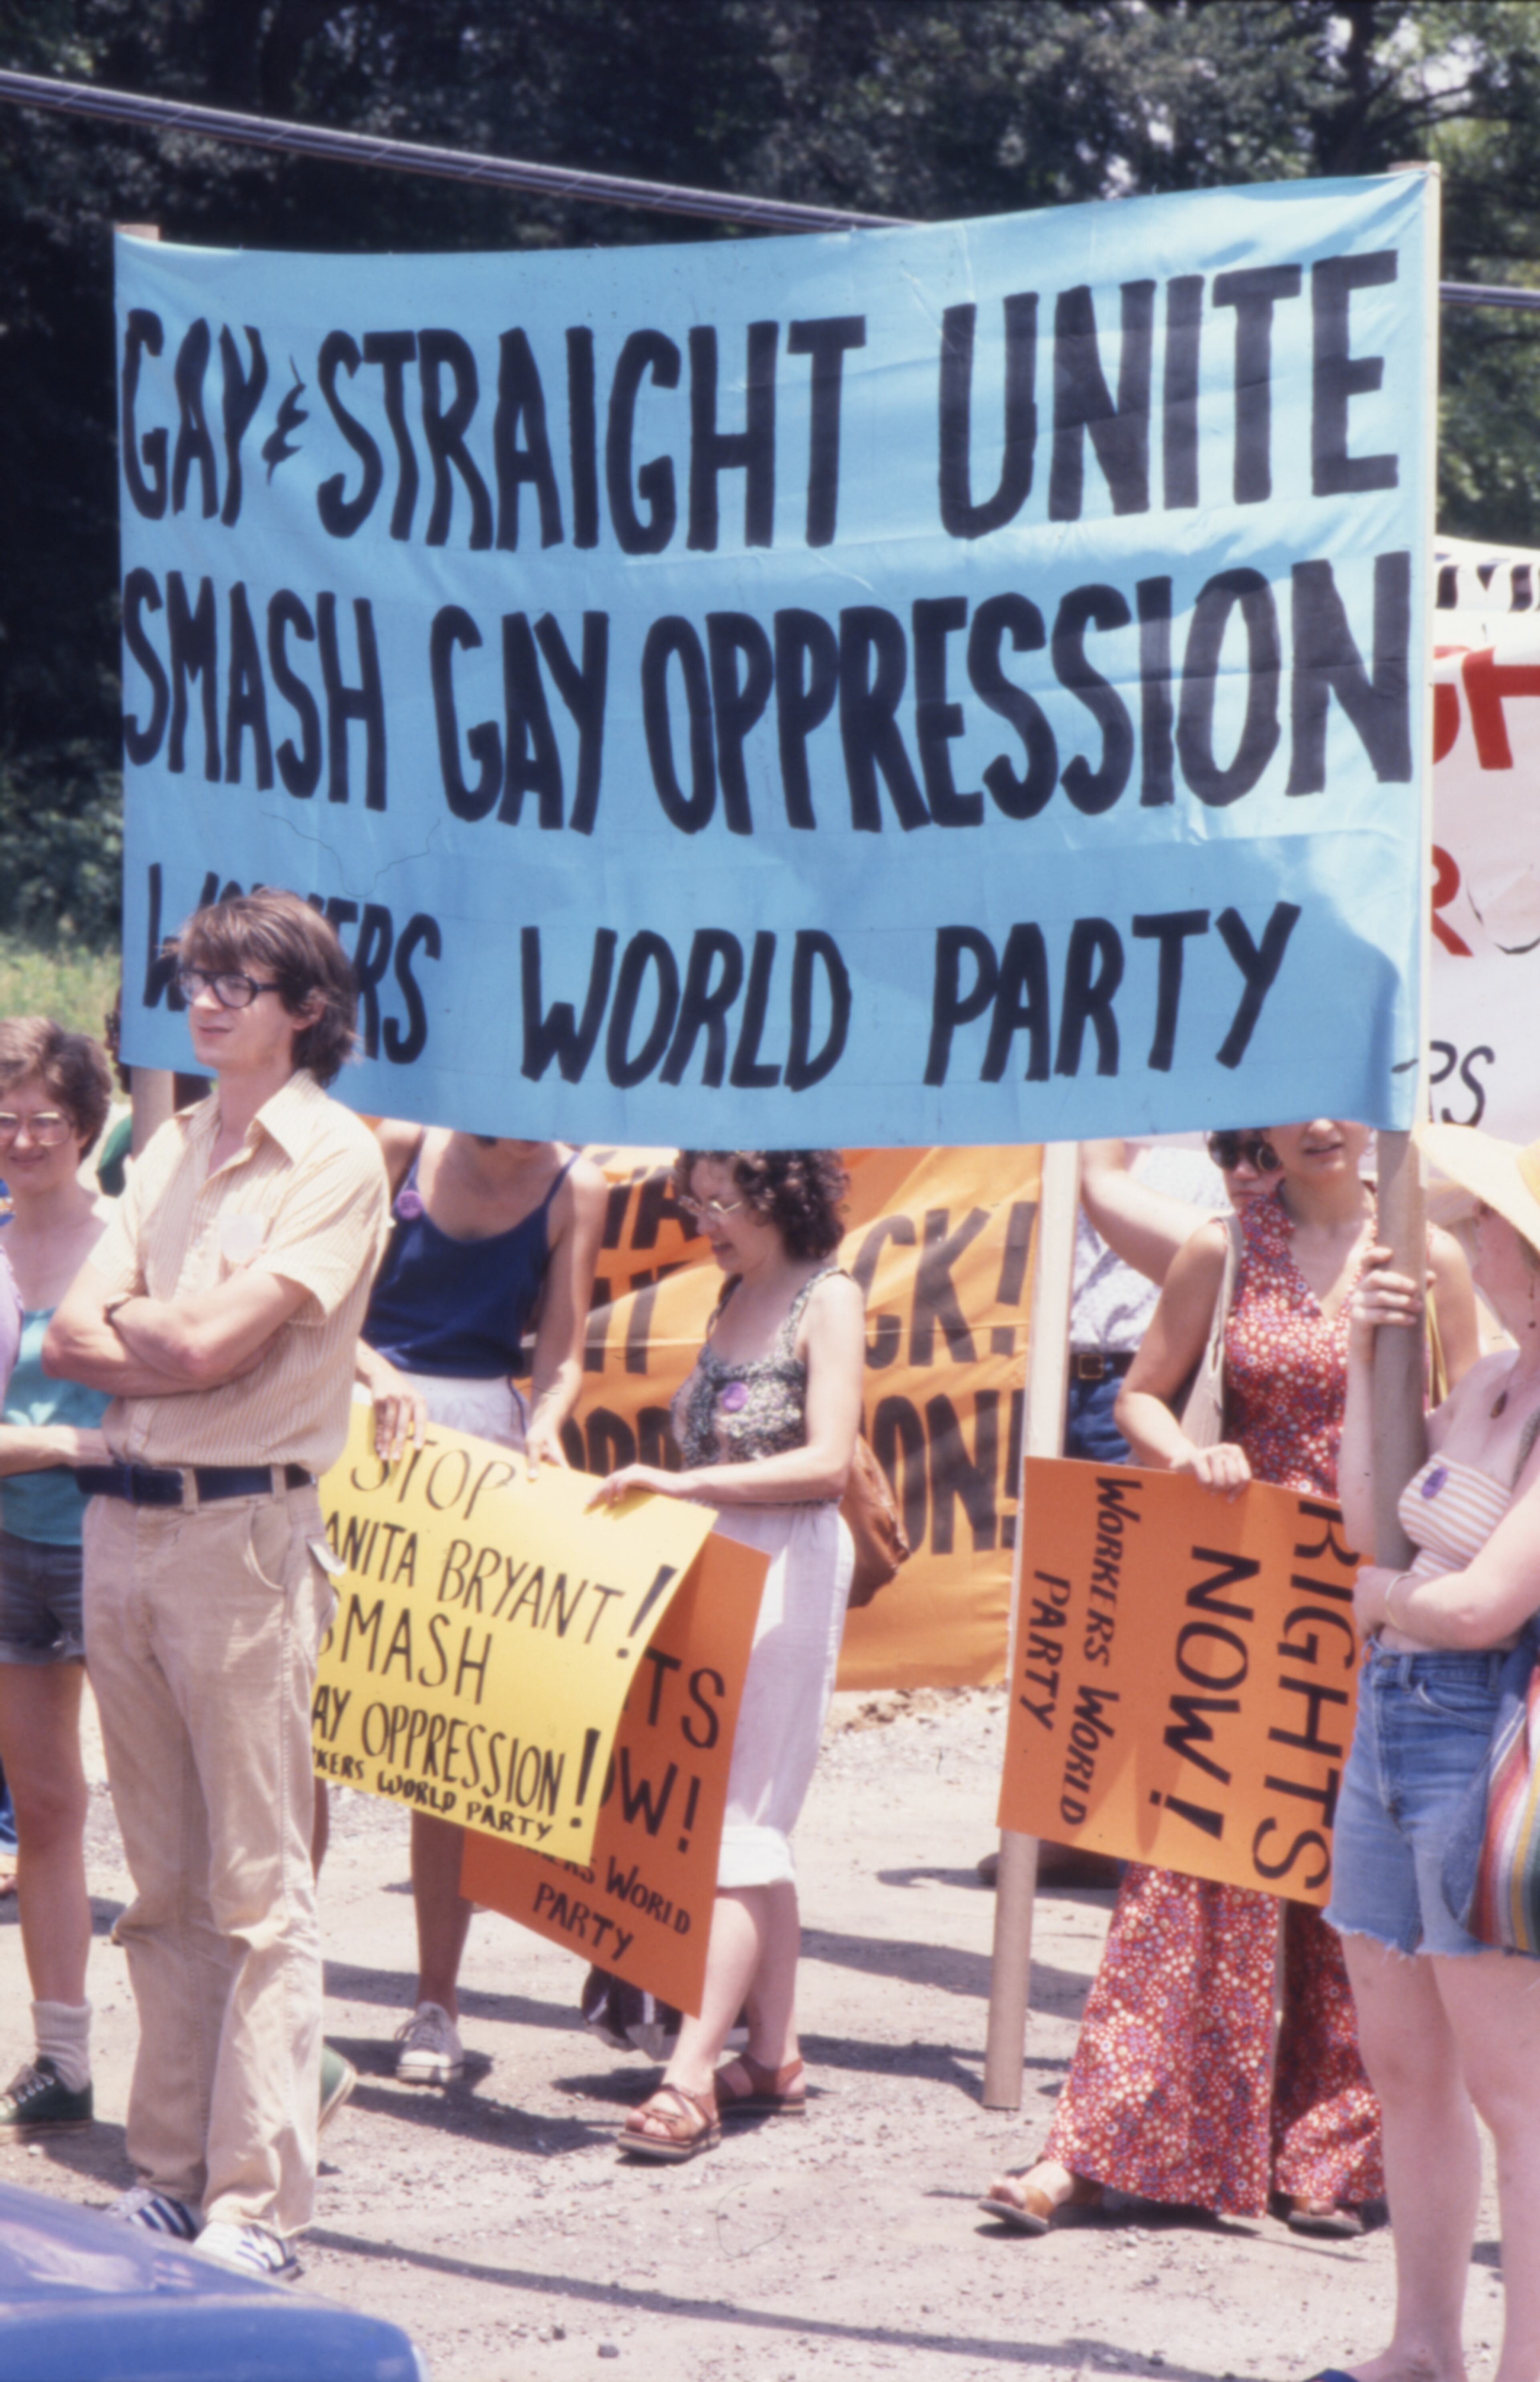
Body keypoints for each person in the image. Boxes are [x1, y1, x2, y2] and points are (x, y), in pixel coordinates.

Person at [981, 1119, 1479, 2236]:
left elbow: (1481, 1418)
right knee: (1188, 1860)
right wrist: (1187, 1454)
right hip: (1242, 1584)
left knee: (1351, 1874)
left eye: (1340, 1105)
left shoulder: (1424, 1254)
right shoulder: (1223, 1243)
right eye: (1298, 1103)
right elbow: (1140, 1396)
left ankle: (1337, 2156)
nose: (1317, 1127)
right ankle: (1104, 2137)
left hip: (1373, 1591)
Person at [45, 891, 389, 2281]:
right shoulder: (172, 1143)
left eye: (244, 980)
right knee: (162, 1881)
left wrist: (157, 1341)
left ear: (307, 1006)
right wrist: (162, 1341)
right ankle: (169, 2173)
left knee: (258, 1889)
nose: (210, 999)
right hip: (121, 1527)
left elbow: (203, 1348)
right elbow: (82, 1336)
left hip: (243, 1538)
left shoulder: (338, 1158)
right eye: (198, 976)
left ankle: (261, 2206)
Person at [588, 1148, 864, 2162]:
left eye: (724, 1200)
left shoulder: (826, 1299)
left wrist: (685, 1488)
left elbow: (830, 1461)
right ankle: (774, 2053)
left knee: (741, 1821)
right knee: (735, 1813)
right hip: (720, 1564)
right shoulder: (736, 1292)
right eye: (694, 1201)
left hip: (786, 1562)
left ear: (782, 1196)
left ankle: (692, 2072)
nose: (705, 1219)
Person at [1325, 1121, 1540, 2382]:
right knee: (1407, 2066)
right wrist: (1365, 1360)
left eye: (1491, 1222)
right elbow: (1375, 1519)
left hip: (1486, 1725)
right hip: (1398, 1720)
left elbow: (1477, 1605)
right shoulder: (1486, 1383)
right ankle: (1424, 2346)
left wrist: (1378, 1597)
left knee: (1517, 2091)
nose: (1470, 1236)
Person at [350, 1124, 605, 2086]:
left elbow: (564, 1351)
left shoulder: (581, 1185)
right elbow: (334, 1296)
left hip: (479, 1448)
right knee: (311, 1719)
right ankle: (280, 1997)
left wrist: (543, 1428)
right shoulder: (401, 1144)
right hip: (354, 1417)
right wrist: (373, 1378)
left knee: (439, 1743)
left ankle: (436, 2004)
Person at [0, 1024, 113, 2135]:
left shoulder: (130, 1241)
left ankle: (262, 2047)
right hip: (10, 1552)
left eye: (44, 1118)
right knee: (43, 1807)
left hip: (127, 1548)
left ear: (87, 1127)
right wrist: (66, 1447)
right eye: (3, 1118)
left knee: (183, 1815)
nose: (23, 1138)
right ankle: (64, 2057)